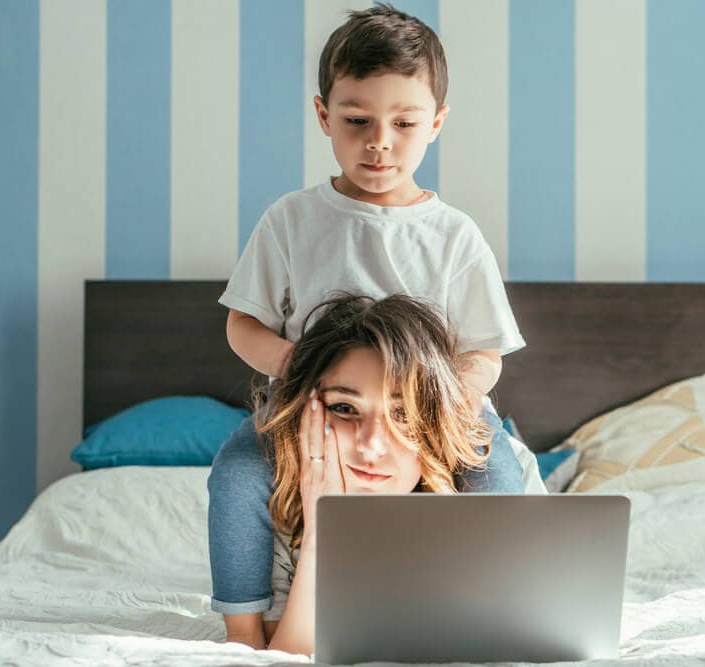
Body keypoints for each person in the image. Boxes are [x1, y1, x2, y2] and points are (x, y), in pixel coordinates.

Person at [208, 4, 527, 647]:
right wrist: (295, 369)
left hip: (429, 410)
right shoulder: (293, 220)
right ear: (324, 116)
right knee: (237, 473)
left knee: (498, 478)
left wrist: (445, 402)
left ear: (435, 123)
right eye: (357, 121)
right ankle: (244, 629)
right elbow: (242, 325)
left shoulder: (454, 236)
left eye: (404, 123)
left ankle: (508, 614)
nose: (379, 141)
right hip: (314, 403)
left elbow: (484, 353)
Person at [254, 294, 524, 655]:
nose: (372, 447)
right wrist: (323, 528)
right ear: (306, 415)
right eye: (344, 408)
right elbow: (290, 656)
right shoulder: (272, 507)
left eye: (403, 415)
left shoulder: (502, 482)